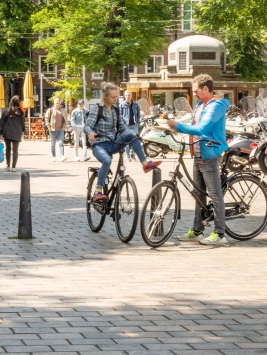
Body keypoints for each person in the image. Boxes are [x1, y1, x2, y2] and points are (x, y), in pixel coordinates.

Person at [168, 74, 231, 246]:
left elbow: (202, 128)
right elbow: (193, 122)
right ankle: (197, 230)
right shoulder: (200, 105)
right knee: (199, 195)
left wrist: (177, 126)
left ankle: (219, 234)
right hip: (198, 153)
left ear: (206, 89)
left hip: (210, 154)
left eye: (196, 90)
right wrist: (172, 123)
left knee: (215, 195)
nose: (193, 93)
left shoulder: (215, 106)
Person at [85, 82, 162, 204]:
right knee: (107, 161)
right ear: (105, 96)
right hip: (99, 145)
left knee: (131, 133)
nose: (116, 99)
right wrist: (90, 133)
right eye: (112, 97)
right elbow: (88, 126)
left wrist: (133, 136)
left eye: (117, 97)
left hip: (113, 143)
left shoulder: (116, 110)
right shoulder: (97, 108)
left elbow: (122, 129)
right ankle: (98, 191)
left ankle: (145, 164)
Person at [0, 95, 25, 172]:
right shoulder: (21, 113)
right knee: (15, 150)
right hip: (17, 132)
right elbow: (22, 123)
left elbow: (2, 122)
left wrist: (0, 132)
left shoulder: (6, 111)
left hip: (7, 132)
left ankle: (8, 165)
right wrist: (23, 131)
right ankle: (14, 167)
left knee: (8, 149)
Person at [118, 90, 141, 161]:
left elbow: (138, 114)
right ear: (125, 96)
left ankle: (133, 155)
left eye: (129, 95)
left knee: (135, 141)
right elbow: (119, 115)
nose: (128, 96)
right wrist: (123, 123)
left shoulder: (135, 104)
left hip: (134, 125)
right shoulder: (121, 105)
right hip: (126, 126)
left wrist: (138, 121)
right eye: (126, 95)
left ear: (131, 96)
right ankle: (128, 157)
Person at [45, 97, 69, 162]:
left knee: (61, 143)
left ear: (60, 102)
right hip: (52, 130)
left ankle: (61, 156)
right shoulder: (50, 110)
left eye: (59, 101)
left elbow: (65, 119)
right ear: (54, 102)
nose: (58, 102)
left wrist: (64, 127)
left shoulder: (63, 110)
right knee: (53, 144)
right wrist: (48, 127)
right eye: (56, 101)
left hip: (60, 129)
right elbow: (46, 119)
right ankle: (53, 156)